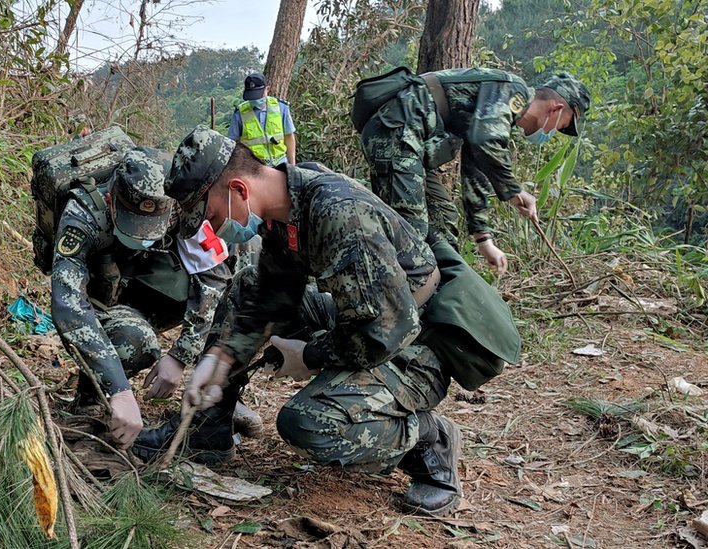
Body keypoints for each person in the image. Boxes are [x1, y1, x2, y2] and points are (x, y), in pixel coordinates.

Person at [133, 127, 520, 517]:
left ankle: (428, 439)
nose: (214, 229)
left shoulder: (337, 213)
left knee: (309, 423)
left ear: (238, 190)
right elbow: (271, 294)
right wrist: (222, 358)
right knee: (244, 287)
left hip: (418, 342)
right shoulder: (286, 206)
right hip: (368, 316)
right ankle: (208, 431)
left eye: (211, 215)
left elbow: (383, 333)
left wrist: (310, 354)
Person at [50, 147, 260, 449]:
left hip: (152, 284)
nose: (144, 236)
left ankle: (213, 404)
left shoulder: (181, 200)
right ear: (112, 201)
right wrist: (119, 389)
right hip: (106, 296)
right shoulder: (82, 215)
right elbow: (68, 304)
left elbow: (212, 278)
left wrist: (180, 356)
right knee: (133, 341)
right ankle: (92, 396)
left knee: (244, 271)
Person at [359, 69, 590, 274]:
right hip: (396, 133)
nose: (554, 132)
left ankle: (443, 297)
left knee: (443, 220)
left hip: (411, 144)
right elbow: (485, 141)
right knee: (411, 232)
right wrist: (514, 191)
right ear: (556, 109)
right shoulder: (513, 90)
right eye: (562, 126)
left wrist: (484, 240)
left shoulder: (498, 113)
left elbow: (476, 167)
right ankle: (389, 306)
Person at [228, 72, 297, 166]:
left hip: (280, 164)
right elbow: (233, 143)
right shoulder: (240, 113)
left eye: (257, 95)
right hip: (253, 167)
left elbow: (289, 136)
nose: (255, 99)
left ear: (267, 89)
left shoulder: (281, 107)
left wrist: (292, 165)